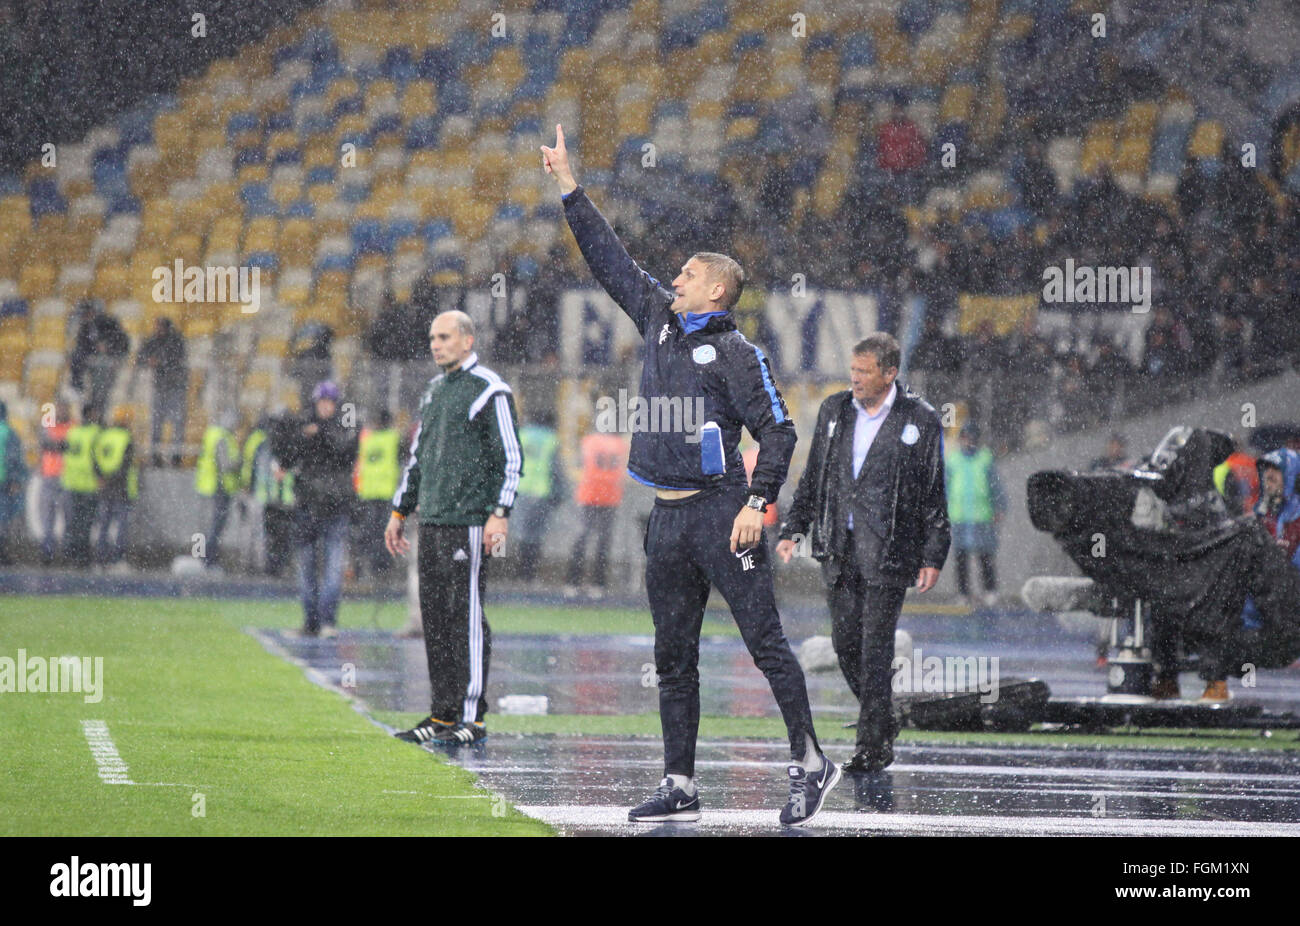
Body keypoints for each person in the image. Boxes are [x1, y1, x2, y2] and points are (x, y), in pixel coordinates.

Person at [541, 124, 838, 826]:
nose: (672, 278)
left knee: (764, 642)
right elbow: (609, 260)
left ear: (718, 290)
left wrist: (758, 503)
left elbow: (780, 430)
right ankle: (680, 781)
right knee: (672, 657)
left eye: (687, 274)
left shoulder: (737, 352)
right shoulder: (659, 320)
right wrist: (569, 187)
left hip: (721, 510)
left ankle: (811, 761)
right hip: (667, 518)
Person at [777, 333, 950, 774]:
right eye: (852, 370)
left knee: (876, 649)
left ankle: (872, 747)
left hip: (891, 551)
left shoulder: (921, 418)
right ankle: (884, 717)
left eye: (864, 372)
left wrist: (933, 553)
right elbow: (814, 475)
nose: (854, 379)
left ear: (889, 374)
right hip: (838, 547)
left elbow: (933, 492)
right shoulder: (833, 411)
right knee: (845, 643)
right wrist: (793, 527)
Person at [385, 310, 522, 746]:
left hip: (469, 523)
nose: (435, 344)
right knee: (437, 619)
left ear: (467, 339)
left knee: (466, 619)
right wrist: (399, 511)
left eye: (444, 337)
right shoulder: (434, 391)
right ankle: (442, 714)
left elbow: (512, 458)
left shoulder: (490, 390)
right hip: (435, 520)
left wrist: (499, 513)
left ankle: (472, 716)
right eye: (432, 338)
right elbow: (418, 459)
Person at [281, 381, 357, 637]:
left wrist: (319, 433)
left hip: (335, 506)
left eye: (329, 402)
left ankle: (327, 620)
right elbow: (287, 458)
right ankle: (311, 621)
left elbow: (344, 449)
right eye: (321, 402)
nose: (325, 407)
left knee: (333, 567)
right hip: (307, 505)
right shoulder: (304, 428)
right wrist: (300, 435)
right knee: (307, 567)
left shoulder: (345, 425)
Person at [946, 420, 1006, 609]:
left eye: (971, 437)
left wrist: (999, 507)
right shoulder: (953, 460)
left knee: (985, 557)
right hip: (959, 517)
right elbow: (945, 487)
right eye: (965, 437)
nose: (968, 441)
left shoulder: (985, 459)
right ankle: (963, 593)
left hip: (982, 516)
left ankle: (990, 591)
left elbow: (996, 486)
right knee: (961, 559)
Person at [563, 426, 627, 598]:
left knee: (582, 538)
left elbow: (578, 464)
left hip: (589, 495)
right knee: (603, 541)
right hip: (610, 496)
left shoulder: (589, 441)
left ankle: (573, 581)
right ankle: (598, 583)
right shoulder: (620, 444)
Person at [513, 405, 566, 584]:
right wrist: (559, 493)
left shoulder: (522, 434)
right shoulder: (551, 439)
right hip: (541, 493)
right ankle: (530, 574)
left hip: (520, 490)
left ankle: (520, 574)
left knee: (521, 534)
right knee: (536, 537)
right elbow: (555, 468)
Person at [353, 409, 401, 581]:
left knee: (371, 532)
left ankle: (372, 567)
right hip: (383, 491)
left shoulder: (367, 438)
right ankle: (380, 568)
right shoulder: (393, 438)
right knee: (382, 532)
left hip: (371, 492)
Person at [135, 317, 188, 466]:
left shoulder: (176, 340)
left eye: (159, 327)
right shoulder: (152, 341)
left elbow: (177, 358)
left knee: (177, 423)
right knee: (156, 422)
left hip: (176, 387)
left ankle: (176, 456)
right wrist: (148, 360)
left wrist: (160, 361)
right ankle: (155, 455)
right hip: (159, 387)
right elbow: (140, 357)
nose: (157, 330)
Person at [91, 407, 137, 571]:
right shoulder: (126, 438)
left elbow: (94, 458)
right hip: (121, 488)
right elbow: (125, 465)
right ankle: (117, 559)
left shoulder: (103, 436)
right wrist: (112, 479)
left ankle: (100, 559)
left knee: (103, 524)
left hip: (105, 487)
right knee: (120, 526)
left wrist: (101, 477)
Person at [194, 411, 240, 570]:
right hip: (218, 487)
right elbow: (226, 465)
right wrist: (240, 462)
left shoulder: (211, 434)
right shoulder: (222, 437)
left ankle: (198, 557)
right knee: (214, 526)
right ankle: (207, 560)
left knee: (203, 525)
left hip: (205, 485)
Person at [61, 404, 103, 568]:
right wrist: (100, 477)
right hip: (88, 484)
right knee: (85, 524)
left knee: (72, 523)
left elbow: (65, 451)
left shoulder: (73, 431)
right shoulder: (95, 433)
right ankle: (82, 558)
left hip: (71, 482)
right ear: (91, 414)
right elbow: (96, 458)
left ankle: (70, 557)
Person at [37, 400, 71, 565]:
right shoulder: (48, 426)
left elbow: (68, 446)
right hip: (50, 476)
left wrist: (58, 445)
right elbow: (45, 444)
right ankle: (47, 553)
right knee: (48, 517)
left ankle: (66, 552)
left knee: (68, 517)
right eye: (60, 408)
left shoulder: (72, 426)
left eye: (64, 408)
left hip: (67, 477)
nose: (62, 411)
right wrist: (61, 445)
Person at [0, 400, 29, 566]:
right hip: (3, 482)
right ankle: (2, 554)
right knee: (3, 519)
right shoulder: (8, 432)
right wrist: (16, 479)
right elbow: (13, 457)